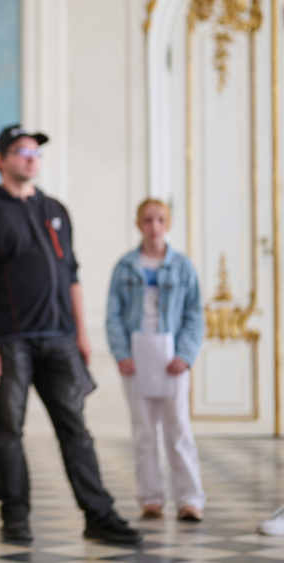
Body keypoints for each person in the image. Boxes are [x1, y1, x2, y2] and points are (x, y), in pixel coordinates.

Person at [0, 124, 141, 545]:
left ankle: (99, 515)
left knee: (75, 428)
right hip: (10, 342)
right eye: (22, 151)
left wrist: (81, 334)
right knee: (9, 431)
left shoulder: (55, 210)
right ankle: (15, 517)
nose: (31, 158)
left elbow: (71, 274)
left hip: (59, 339)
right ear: (1, 160)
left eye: (36, 152)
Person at [106, 199, 205, 522]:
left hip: (172, 355)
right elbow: (113, 315)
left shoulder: (182, 267)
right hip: (137, 356)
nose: (154, 226)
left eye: (160, 220)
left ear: (168, 223)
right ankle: (150, 498)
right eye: (148, 220)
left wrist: (185, 355)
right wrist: (122, 354)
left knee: (179, 430)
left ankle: (190, 499)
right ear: (139, 224)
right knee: (144, 432)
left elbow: (194, 314)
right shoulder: (125, 267)